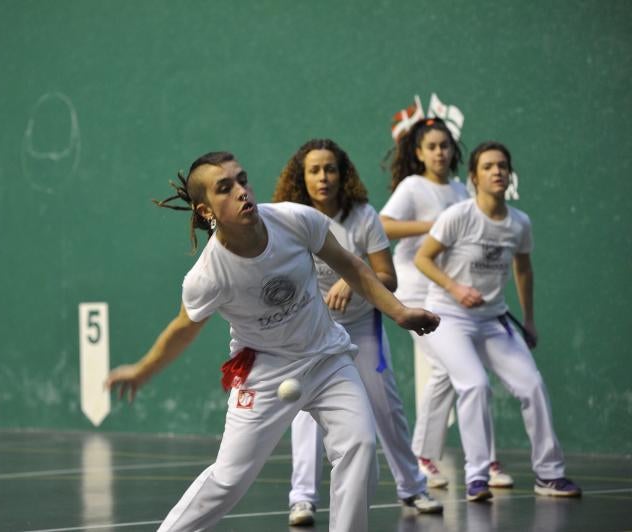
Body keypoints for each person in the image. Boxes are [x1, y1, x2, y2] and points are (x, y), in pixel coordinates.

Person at [105, 151, 440, 532]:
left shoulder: (296, 220)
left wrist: (399, 312)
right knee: (228, 480)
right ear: (206, 210)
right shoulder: (207, 276)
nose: (241, 191)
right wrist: (142, 371)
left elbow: (351, 265)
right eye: (225, 188)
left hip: (327, 358)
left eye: (242, 180)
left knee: (360, 448)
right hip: (263, 373)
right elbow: (183, 329)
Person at [272, 139, 443, 526]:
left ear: (342, 174)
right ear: (301, 177)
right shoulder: (290, 218)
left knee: (385, 406)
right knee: (304, 408)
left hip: (363, 326)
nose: (323, 177)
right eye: (314, 170)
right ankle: (302, 498)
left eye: (330, 169)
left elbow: (388, 278)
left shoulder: (364, 216)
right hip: (312, 331)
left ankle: (412, 486)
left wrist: (352, 279)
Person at [413, 141, 581, 501]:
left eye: (502, 165)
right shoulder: (458, 216)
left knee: (532, 386)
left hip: (493, 320)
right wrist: (455, 288)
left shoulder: (520, 223)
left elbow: (524, 270)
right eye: (488, 166)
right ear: (474, 177)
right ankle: (477, 477)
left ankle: (550, 475)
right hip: (448, 316)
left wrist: (530, 320)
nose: (497, 171)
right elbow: (423, 259)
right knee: (475, 385)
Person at [379, 117, 513, 489]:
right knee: (448, 367)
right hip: (413, 287)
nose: (440, 152)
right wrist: (436, 226)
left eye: (445, 146)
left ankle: (473, 460)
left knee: (458, 371)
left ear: (454, 151)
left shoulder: (460, 190)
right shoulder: (412, 186)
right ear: (419, 153)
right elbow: (383, 225)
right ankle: (428, 458)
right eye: (432, 147)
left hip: (448, 292)